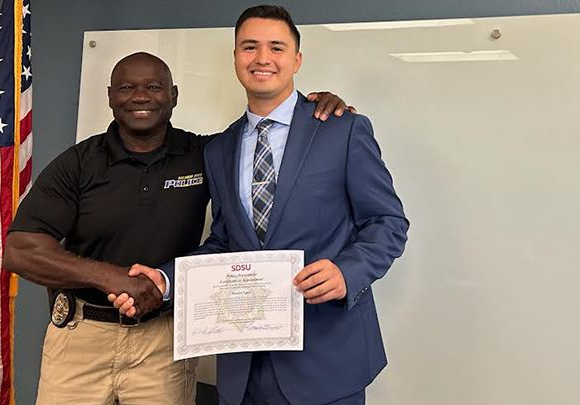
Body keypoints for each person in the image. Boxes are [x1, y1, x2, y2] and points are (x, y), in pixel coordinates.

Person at [4, 51, 353, 405]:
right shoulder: (78, 163)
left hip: (165, 341)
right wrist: (113, 278)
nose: (140, 97)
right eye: (126, 87)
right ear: (110, 96)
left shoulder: (208, 153)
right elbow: (21, 251)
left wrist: (315, 112)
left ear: (173, 96)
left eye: (154, 87)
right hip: (81, 337)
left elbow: (270, 146)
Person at [113, 5, 410, 405]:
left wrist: (347, 272)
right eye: (249, 47)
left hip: (328, 360)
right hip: (244, 365)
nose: (263, 58)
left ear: (297, 59)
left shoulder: (344, 129)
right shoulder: (219, 149)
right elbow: (223, 242)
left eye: (277, 47)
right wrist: (166, 280)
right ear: (236, 57)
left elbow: (387, 222)